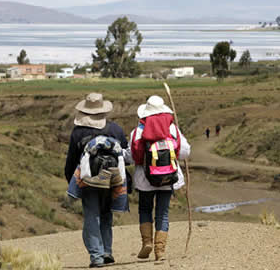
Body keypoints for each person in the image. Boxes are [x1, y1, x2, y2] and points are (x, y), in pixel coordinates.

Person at [64, 93, 128, 268]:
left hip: (89, 180)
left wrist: (72, 181)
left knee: (92, 216)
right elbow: (126, 155)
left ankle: (97, 256)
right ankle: (107, 251)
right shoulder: (115, 129)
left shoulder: (78, 132)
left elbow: (72, 159)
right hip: (113, 178)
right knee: (106, 214)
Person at [130, 95, 191, 261]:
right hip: (168, 177)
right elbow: (185, 151)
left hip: (145, 178)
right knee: (162, 213)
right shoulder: (173, 130)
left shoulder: (138, 131)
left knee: (145, 209)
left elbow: (133, 156)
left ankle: (147, 242)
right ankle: (160, 251)